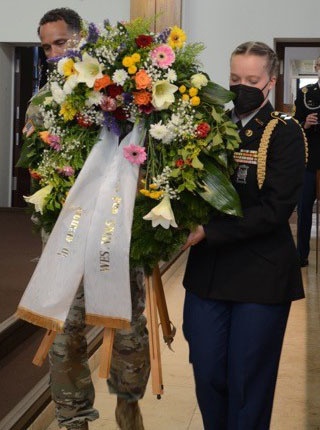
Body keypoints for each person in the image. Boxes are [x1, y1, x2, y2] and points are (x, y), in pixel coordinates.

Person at [25, 8, 150, 430]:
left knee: (127, 330)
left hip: (115, 239)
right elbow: (36, 172)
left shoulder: (119, 92)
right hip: (66, 239)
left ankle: (128, 401)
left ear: (82, 40)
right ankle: (71, 416)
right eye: (46, 47)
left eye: (61, 42)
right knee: (64, 335)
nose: (54, 53)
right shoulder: (42, 105)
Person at [181, 41, 306, 429]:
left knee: (248, 379)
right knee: (207, 372)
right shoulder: (208, 127)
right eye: (235, 78)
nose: (242, 87)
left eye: (252, 79)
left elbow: (274, 211)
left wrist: (209, 230)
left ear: (270, 82)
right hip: (209, 275)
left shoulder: (284, 133)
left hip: (261, 275)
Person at [294, 57, 320, 267]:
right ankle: (301, 254)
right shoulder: (306, 94)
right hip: (310, 160)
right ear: (316, 68)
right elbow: (295, 129)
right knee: (304, 209)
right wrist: (306, 124)